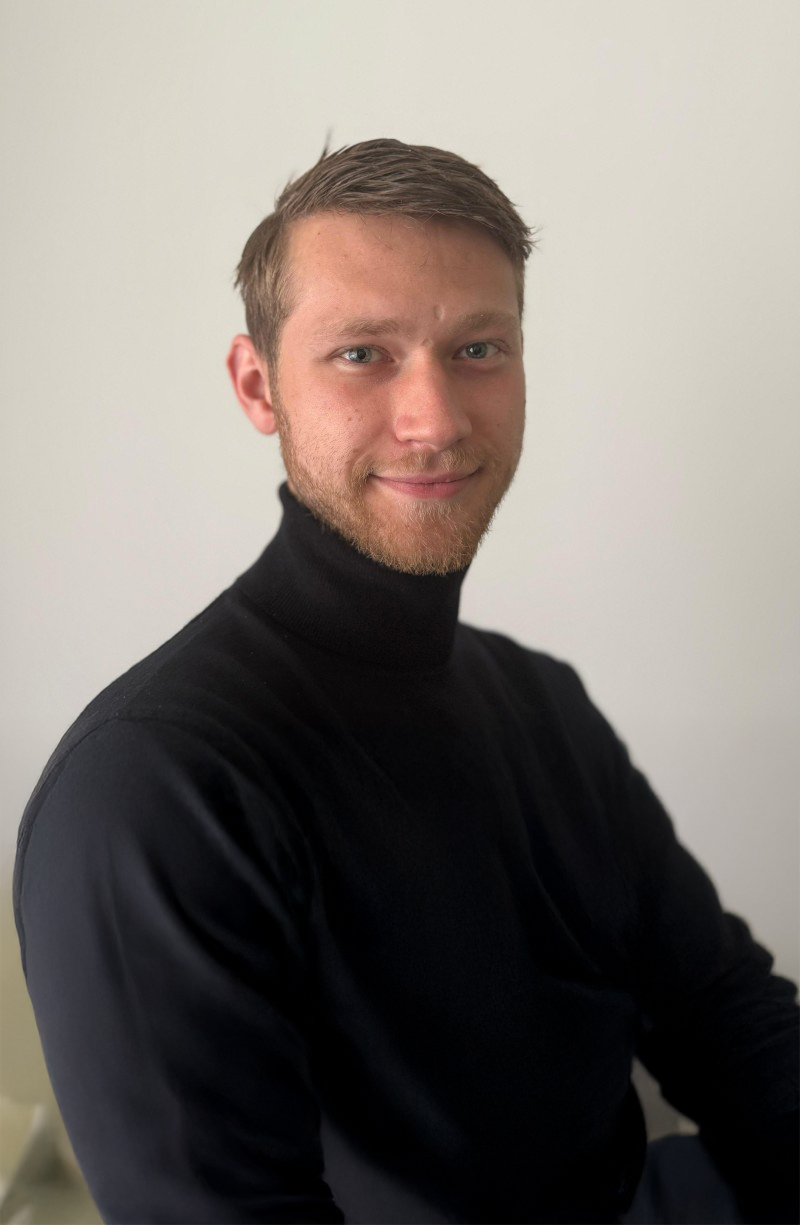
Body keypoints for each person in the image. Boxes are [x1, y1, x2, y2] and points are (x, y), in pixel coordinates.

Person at [13, 138, 798, 1225]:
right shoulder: (154, 791)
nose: (432, 419)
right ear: (257, 385)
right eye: (361, 355)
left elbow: (724, 1019)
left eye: (477, 348)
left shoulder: (542, 702)